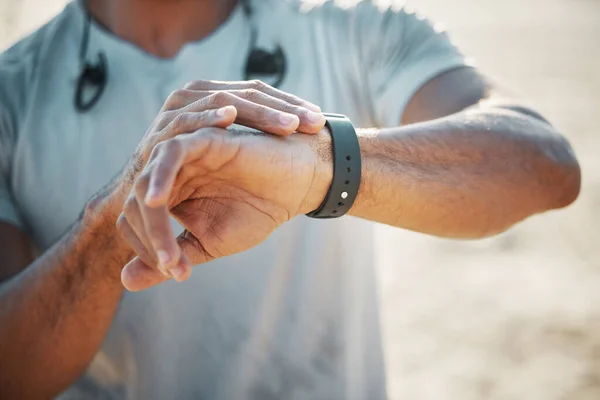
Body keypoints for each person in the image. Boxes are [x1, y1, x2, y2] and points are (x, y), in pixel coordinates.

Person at [0, 0, 580, 398]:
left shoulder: (354, 29)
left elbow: (544, 164)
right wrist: (108, 231)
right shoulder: (14, 92)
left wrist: (322, 168)